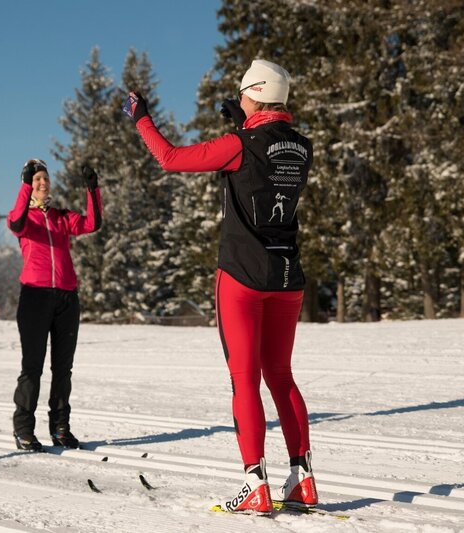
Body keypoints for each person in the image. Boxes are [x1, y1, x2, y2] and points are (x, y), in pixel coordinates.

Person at [124, 60, 316, 514]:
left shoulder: (239, 143)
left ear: (252, 93)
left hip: (241, 277)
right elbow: (269, 149)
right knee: (282, 376)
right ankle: (302, 479)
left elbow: (169, 158)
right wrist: (245, 121)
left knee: (244, 379)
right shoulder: (302, 147)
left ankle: (255, 483)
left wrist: (141, 118)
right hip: (287, 277)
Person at [6, 158, 102, 452]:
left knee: (63, 369)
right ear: (28, 184)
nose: (42, 183)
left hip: (66, 298)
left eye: (45, 179)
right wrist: (24, 184)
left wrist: (92, 188)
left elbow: (92, 223)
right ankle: (24, 429)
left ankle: (61, 427)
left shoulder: (61, 217)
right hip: (35, 297)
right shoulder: (21, 217)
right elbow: (17, 222)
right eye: (36, 180)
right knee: (32, 368)